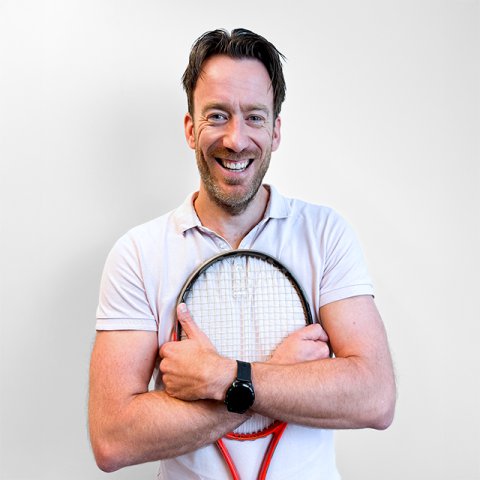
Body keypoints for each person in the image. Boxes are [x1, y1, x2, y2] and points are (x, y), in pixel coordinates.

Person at [88, 28, 396, 479]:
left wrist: (223, 377)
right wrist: (272, 376)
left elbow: (375, 397)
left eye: (254, 117)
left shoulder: (325, 233)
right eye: (217, 115)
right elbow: (113, 439)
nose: (236, 139)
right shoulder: (138, 253)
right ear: (190, 129)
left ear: (275, 131)